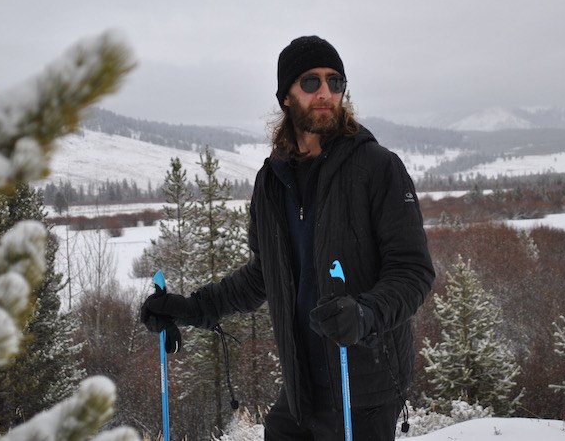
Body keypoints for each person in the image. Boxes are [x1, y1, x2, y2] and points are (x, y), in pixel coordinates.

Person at [140, 35, 435, 440]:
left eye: (336, 82)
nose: (326, 93)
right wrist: (194, 308)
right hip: (300, 388)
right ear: (285, 97)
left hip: (361, 386)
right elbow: (264, 274)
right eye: (311, 82)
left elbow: (413, 271)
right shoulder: (271, 181)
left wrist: (365, 314)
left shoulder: (378, 168)